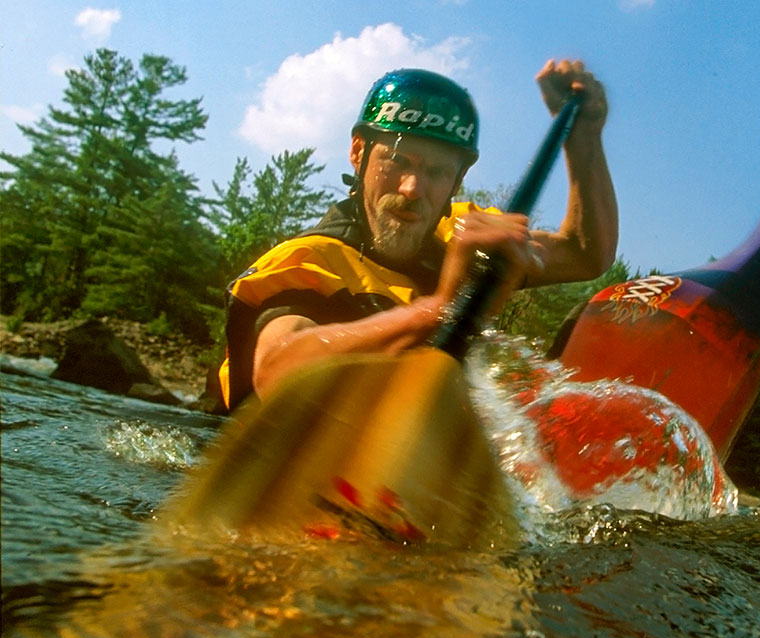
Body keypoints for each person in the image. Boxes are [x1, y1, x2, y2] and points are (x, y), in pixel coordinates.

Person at [218, 59, 618, 410]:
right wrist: (440, 308)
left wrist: (585, 139)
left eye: (438, 172)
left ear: (458, 180)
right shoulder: (308, 260)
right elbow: (277, 370)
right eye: (396, 160)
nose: (412, 188)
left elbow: (584, 254)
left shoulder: (465, 237)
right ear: (358, 152)